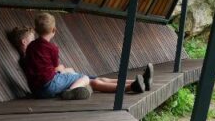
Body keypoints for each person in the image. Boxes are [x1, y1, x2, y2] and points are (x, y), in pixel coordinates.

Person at [21, 13, 154, 101]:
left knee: (95, 78)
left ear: (36, 30)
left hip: (40, 88)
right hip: (49, 86)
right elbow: (55, 69)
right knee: (88, 80)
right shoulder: (51, 48)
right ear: (54, 30)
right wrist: (63, 69)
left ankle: (137, 82)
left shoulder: (31, 47)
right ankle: (131, 87)